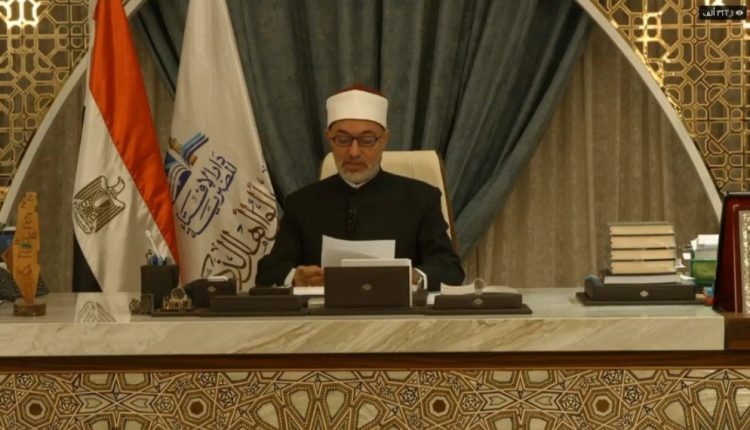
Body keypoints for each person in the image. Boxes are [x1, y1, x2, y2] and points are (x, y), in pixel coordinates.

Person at [256, 84, 464, 291]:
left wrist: (413, 276)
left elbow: (450, 268)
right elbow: (269, 271)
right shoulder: (301, 203)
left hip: (396, 310)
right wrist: (294, 277)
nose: (353, 152)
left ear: (384, 140)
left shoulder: (421, 198)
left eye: (367, 140)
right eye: (343, 140)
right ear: (329, 139)